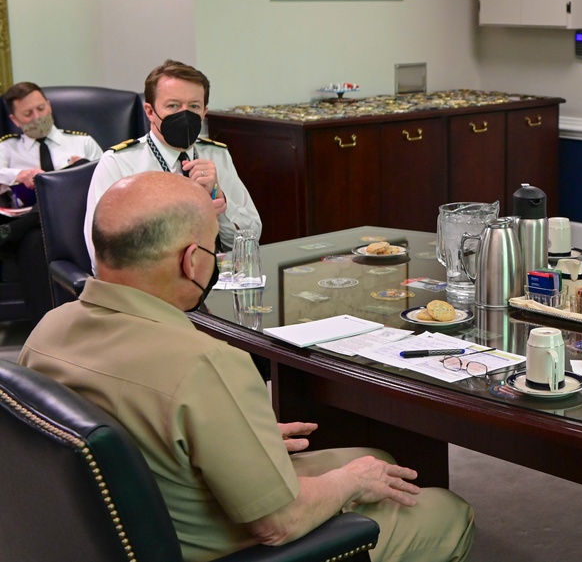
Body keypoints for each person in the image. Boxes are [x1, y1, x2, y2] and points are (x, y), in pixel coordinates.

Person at [20, 171, 475, 562]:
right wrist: (350, 483)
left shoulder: (46, 333)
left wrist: (219, 434)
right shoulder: (206, 363)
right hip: (222, 547)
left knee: (378, 460)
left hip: (122, 523)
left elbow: (115, 422)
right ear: (192, 261)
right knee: (445, 511)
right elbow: (279, 524)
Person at [83, 59, 260, 271]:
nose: (184, 115)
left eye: (194, 106)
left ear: (204, 112)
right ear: (150, 111)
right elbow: (101, 256)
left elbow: (250, 240)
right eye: (173, 106)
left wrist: (221, 203)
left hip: (216, 279)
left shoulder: (217, 155)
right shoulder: (119, 163)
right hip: (150, 287)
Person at [0, 82, 103, 322]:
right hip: (33, 226)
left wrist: (81, 169)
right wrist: (17, 175)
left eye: (40, 109)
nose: (37, 117)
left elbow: (107, 181)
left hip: (75, 219)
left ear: (49, 106)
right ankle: (47, 326)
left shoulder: (81, 142)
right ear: (15, 120)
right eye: (28, 114)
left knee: (81, 168)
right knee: (35, 238)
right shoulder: (7, 148)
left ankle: (11, 232)